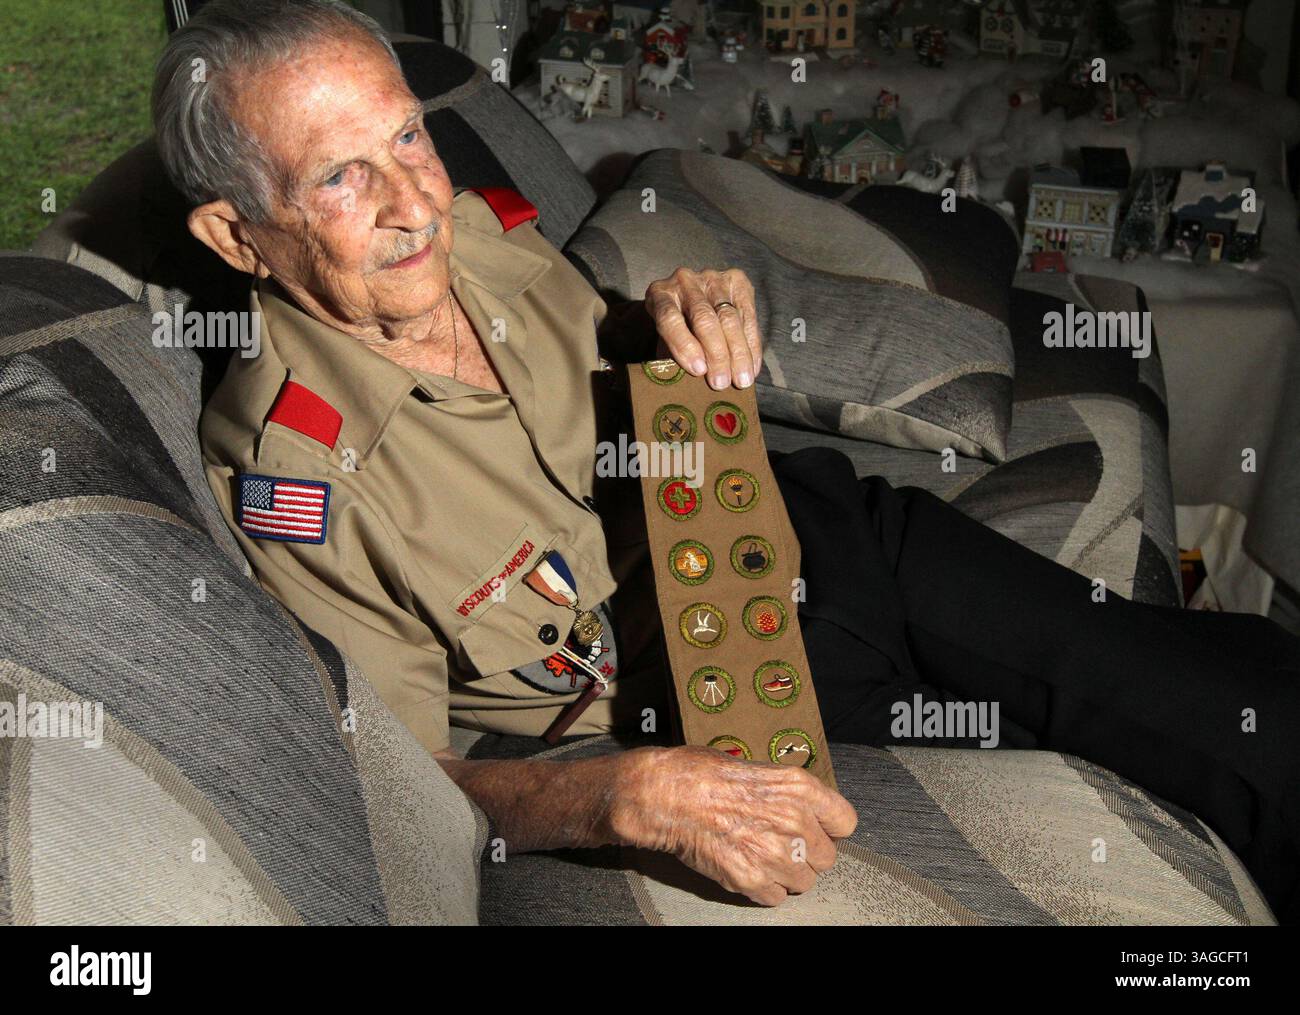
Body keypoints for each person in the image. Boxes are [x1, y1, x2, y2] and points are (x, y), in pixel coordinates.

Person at [160, 0, 1299, 918]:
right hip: (699, 695)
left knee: (1197, 684)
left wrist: (675, 311)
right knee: (1129, 793)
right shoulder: (301, 483)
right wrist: (614, 801)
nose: (417, 200)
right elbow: (406, 791)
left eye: (407, 132)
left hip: (813, 529)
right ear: (235, 234)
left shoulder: (474, 230)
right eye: (341, 176)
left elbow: (599, 351)